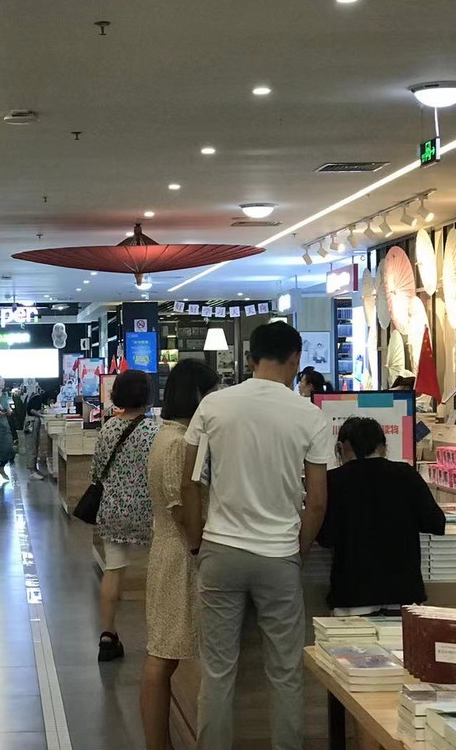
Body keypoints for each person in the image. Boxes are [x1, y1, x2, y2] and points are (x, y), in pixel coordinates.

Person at [180, 321, 331, 750]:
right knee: (285, 671)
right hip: (279, 556)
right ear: (296, 359)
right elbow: (317, 502)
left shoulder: (213, 405)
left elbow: (189, 483)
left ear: (249, 359)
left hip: (221, 549)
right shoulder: (310, 415)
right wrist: (298, 550)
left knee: (217, 670)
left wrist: (197, 542)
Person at [141, 360, 221, 750]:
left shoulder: (168, 435)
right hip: (179, 557)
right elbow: (181, 508)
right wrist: (200, 544)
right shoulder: (177, 443)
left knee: (164, 653)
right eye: (212, 392)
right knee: (163, 655)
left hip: (170, 551)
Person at [317, 417, 445, 615]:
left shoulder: (333, 480)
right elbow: (436, 523)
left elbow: (326, 538)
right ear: (383, 447)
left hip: (352, 594)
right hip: (403, 594)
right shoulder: (406, 474)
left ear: (341, 447)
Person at [92, 369, 159, 662]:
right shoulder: (155, 432)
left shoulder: (108, 429)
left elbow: (96, 471)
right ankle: (159, 636)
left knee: (114, 569)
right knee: (157, 571)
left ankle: (107, 635)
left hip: (113, 509)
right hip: (149, 512)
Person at [23, 381, 47, 481]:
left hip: (32, 422)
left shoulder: (33, 396)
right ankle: (32, 471)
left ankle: (34, 469)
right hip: (32, 423)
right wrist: (42, 415)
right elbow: (32, 410)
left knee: (34, 445)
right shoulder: (37, 397)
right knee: (31, 446)